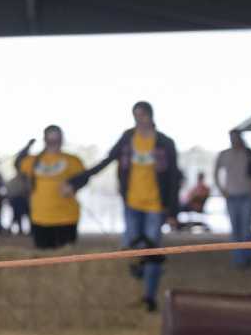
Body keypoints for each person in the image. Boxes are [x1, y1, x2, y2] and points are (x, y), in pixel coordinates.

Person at [75, 100, 180, 312]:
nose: (139, 120)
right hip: (131, 203)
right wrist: (78, 179)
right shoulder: (127, 139)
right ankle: (132, 291)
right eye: (136, 116)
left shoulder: (165, 142)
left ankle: (149, 297)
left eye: (142, 115)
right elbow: (107, 160)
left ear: (151, 116)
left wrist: (172, 211)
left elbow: (173, 177)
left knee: (151, 251)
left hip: (155, 205)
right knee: (130, 251)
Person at [15, 127, 85, 249]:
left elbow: (84, 178)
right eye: (50, 139)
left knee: (66, 257)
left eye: (57, 139)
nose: (53, 142)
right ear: (45, 140)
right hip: (40, 217)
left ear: (62, 139)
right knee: (44, 257)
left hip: (67, 218)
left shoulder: (73, 160)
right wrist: (29, 145)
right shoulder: (33, 160)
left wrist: (73, 186)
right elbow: (17, 163)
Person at [214, 131, 251, 270]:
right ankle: (239, 259)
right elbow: (215, 172)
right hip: (231, 196)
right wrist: (221, 189)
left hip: (248, 195)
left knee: (245, 228)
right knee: (236, 229)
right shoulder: (224, 154)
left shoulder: (249, 154)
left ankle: (247, 258)